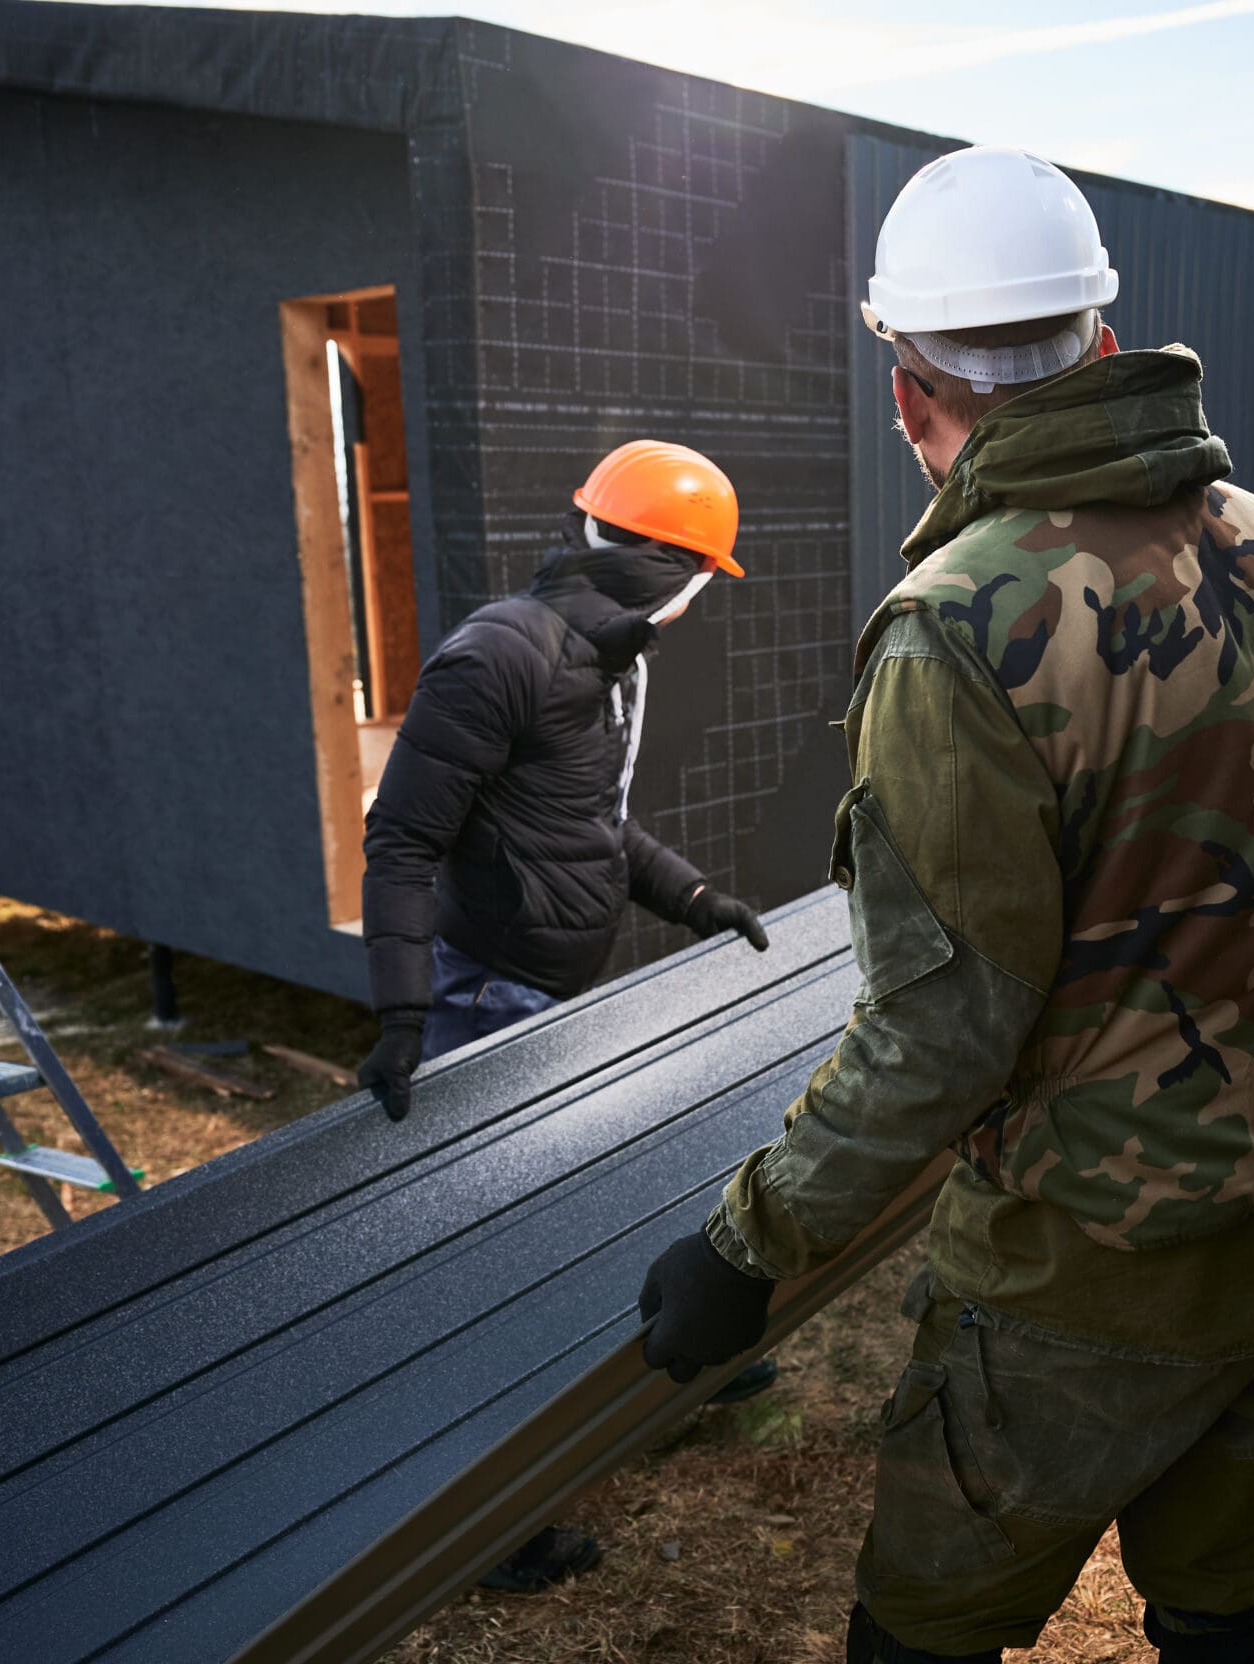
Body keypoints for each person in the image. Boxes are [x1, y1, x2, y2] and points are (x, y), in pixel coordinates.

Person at [635, 147, 1254, 1664]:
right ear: (1107, 348)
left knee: (923, 1633)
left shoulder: (957, 633)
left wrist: (746, 1253)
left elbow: (944, 1036)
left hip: (1089, 1277)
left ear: (906, 394)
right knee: (1226, 1607)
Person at [357, 439, 779, 1592]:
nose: (704, 601)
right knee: (491, 1269)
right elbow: (400, 837)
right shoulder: (500, 655)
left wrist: (696, 897)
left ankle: (677, 1365)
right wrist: (401, 1016)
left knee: (579, 1212)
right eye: (706, 577)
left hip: (544, 993)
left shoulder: (600, 658)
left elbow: (586, 823)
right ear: (671, 566)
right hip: (484, 995)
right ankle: (489, 1526)